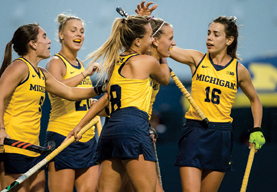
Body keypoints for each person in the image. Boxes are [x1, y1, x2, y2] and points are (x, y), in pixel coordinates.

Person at [137, 2, 266, 191]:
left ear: (229, 40)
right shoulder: (196, 59)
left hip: (221, 136)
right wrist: (145, 21)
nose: (209, 38)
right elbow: (163, 45)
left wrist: (257, 128)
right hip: (194, 132)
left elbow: (255, 100)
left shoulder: (239, 71)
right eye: (208, 33)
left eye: (216, 34)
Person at [67, 15, 170, 192]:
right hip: (134, 128)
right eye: (150, 36)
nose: (153, 40)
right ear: (137, 41)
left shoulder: (115, 63)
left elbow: (105, 99)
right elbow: (165, 79)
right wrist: (164, 56)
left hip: (111, 131)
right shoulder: (149, 62)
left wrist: (79, 126)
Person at [0, 23, 103, 192]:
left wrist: (101, 88)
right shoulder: (18, 67)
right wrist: (1, 128)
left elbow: (69, 92)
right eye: (44, 37)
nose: (49, 41)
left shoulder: (41, 73)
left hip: (33, 149)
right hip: (13, 147)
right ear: (33, 44)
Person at [44, 13, 100, 192]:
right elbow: (60, 89)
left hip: (87, 137)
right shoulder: (55, 62)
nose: (79, 34)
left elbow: (79, 96)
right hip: (63, 135)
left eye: (82, 31)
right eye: (73, 30)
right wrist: (84, 75)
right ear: (61, 34)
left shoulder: (82, 64)